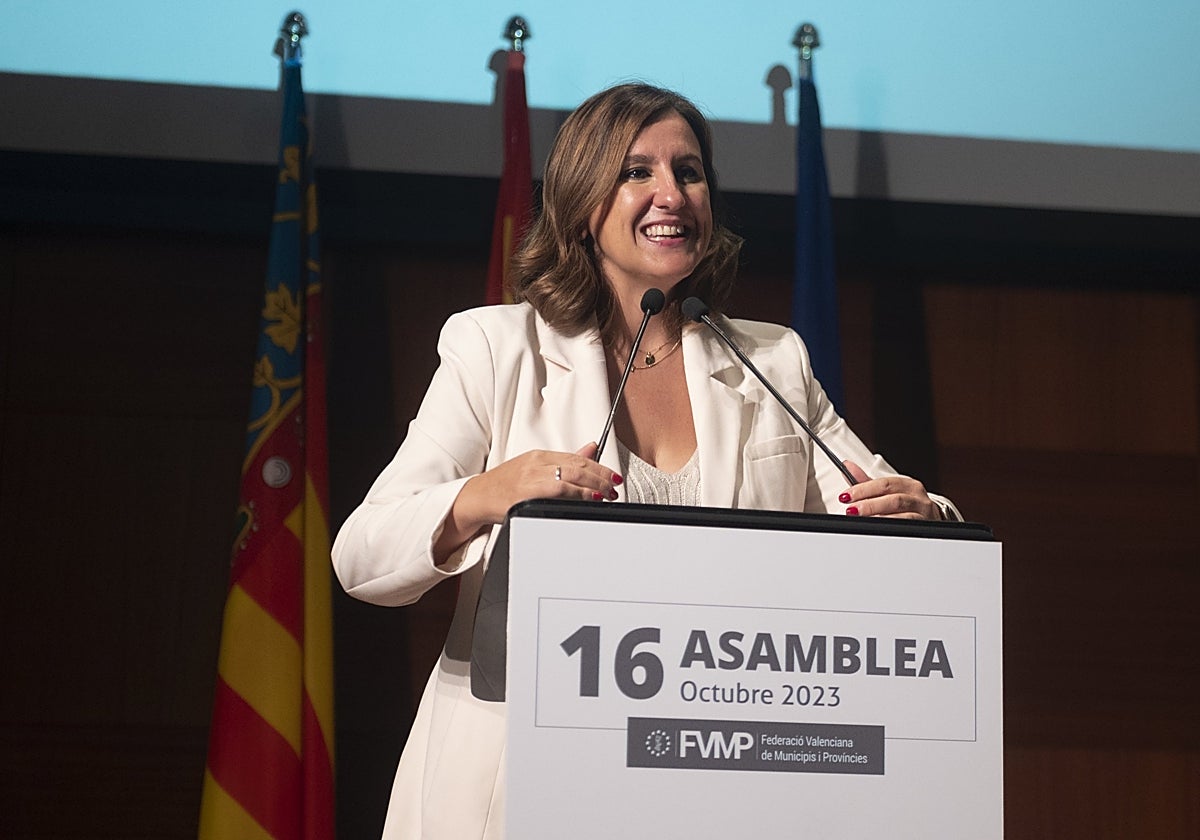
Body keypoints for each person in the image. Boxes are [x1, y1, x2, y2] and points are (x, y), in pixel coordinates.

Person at [331, 82, 961, 839]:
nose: (672, 194)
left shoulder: (772, 359)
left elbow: (894, 505)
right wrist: (483, 496)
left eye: (689, 172)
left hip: (711, 778)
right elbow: (361, 556)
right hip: (521, 780)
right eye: (638, 172)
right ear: (582, 201)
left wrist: (921, 516)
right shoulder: (495, 348)